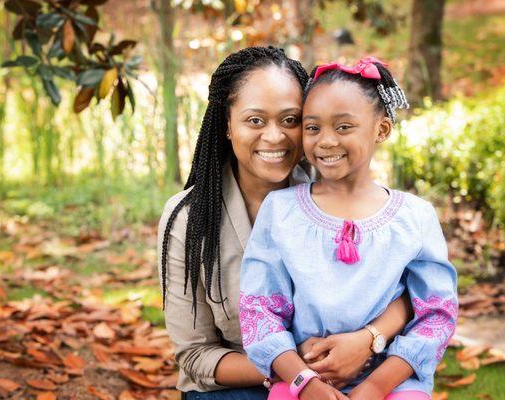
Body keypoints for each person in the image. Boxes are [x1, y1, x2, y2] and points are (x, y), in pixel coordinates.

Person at [158, 47, 414, 400]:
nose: (275, 136)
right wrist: (297, 373)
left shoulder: (339, 194)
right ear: (227, 125)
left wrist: (369, 338)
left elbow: (407, 290)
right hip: (238, 384)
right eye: (255, 120)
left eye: (290, 120)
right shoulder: (188, 218)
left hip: (342, 378)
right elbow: (195, 354)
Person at [239, 57, 458, 400]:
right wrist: (303, 382)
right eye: (312, 128)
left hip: (392, 384)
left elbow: (436, 314)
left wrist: (374, 387)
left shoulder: (415, 218)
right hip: (302, 379)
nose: (325, 141)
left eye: (343, 127)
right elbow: (259, 309)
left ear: (381, 129)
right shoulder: (281, 211)